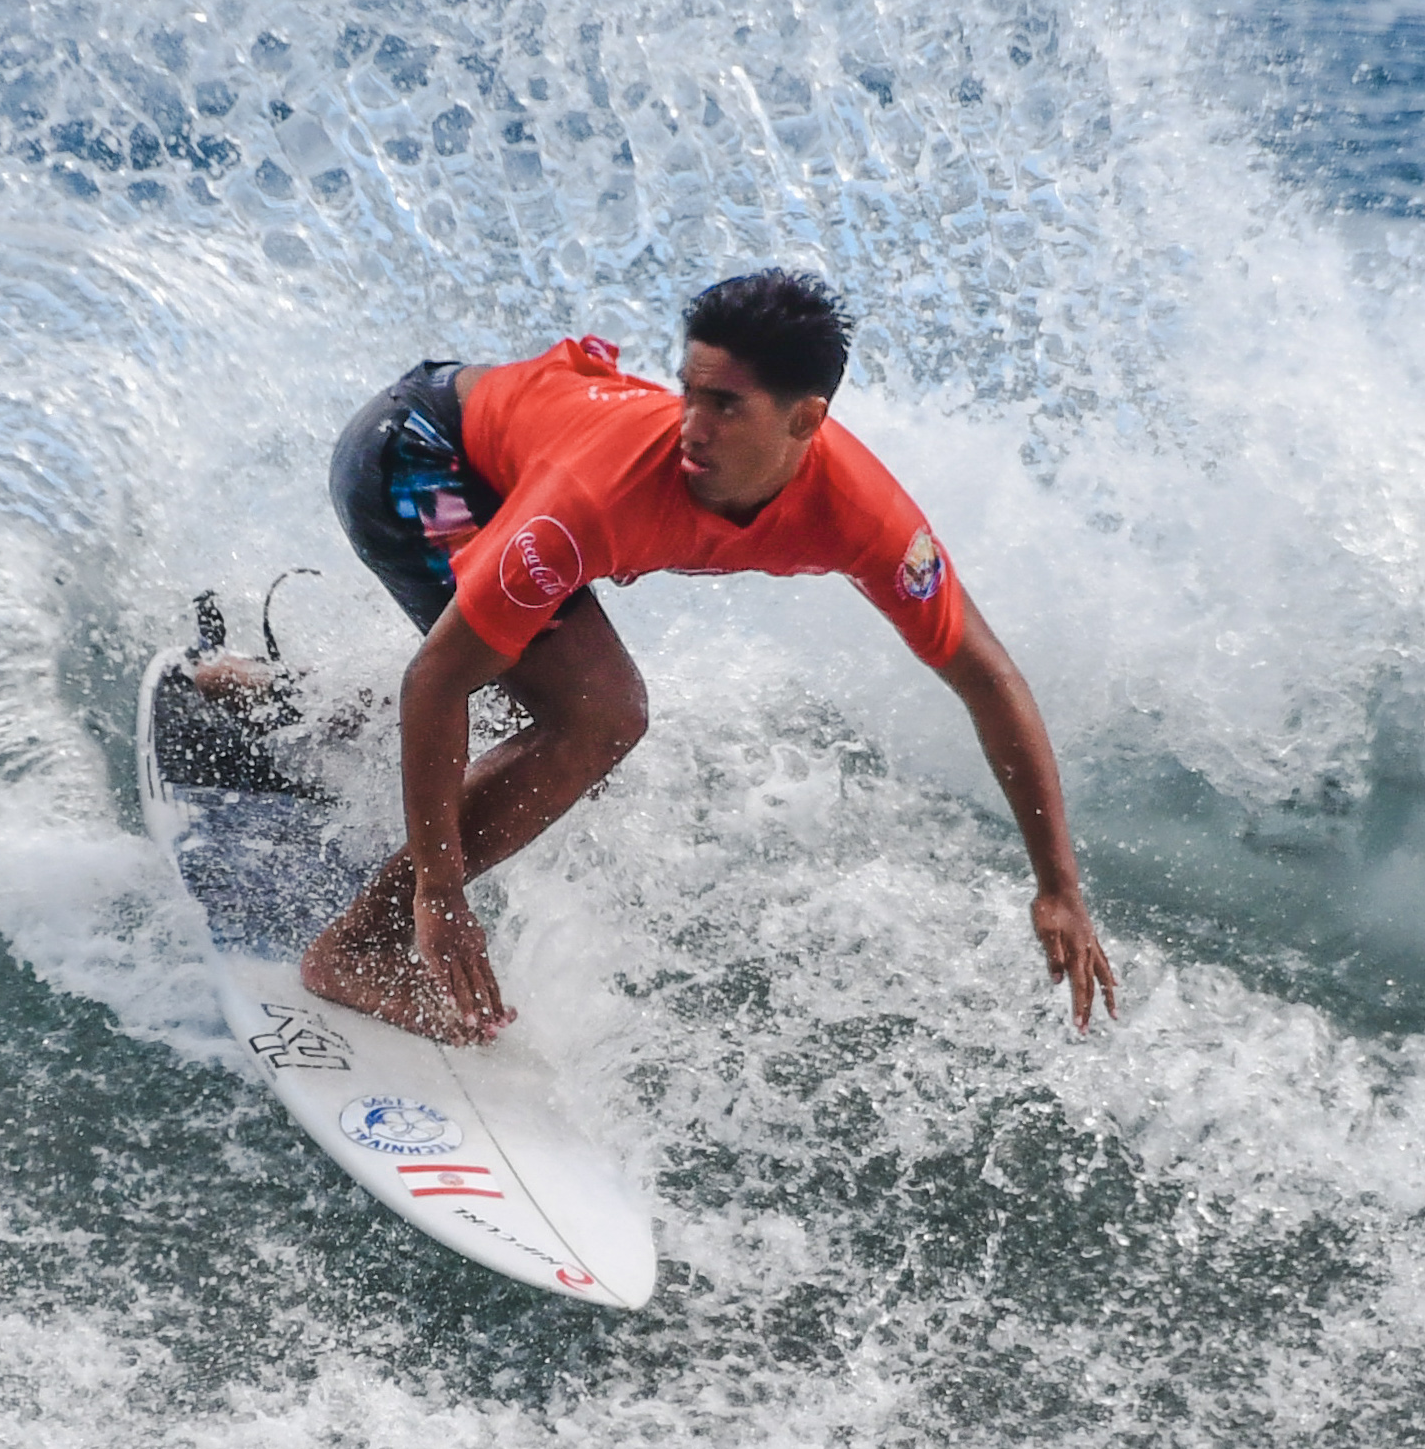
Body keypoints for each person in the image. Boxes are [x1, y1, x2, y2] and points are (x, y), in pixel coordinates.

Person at [292, 267, 1115, 1045]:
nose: (692, 425)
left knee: (552, 722)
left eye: (725, 405)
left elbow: (986, 676)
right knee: (597, 719)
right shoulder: (596, 498)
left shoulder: (862, 516)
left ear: (806, 420)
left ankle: (284, 720)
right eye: (688, 390)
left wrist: (1059, 888)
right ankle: (361, 945)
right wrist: (439, 895)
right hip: (417, 452)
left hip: (503, 457)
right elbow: (437, 681)